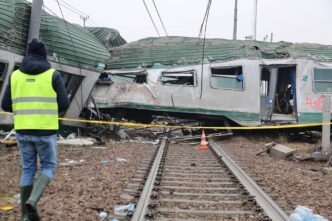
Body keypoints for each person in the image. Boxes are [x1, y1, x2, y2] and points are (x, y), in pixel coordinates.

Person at [1, 38, 69, 221]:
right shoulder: (53, 75)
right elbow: (64, 104)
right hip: (46, 131)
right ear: (44, 55)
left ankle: (25, 215)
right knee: (48, 166)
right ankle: (32, 200)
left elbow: (5, 104)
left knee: (28, 169)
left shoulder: (15, 75)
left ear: (28, 54)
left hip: (23, 130)